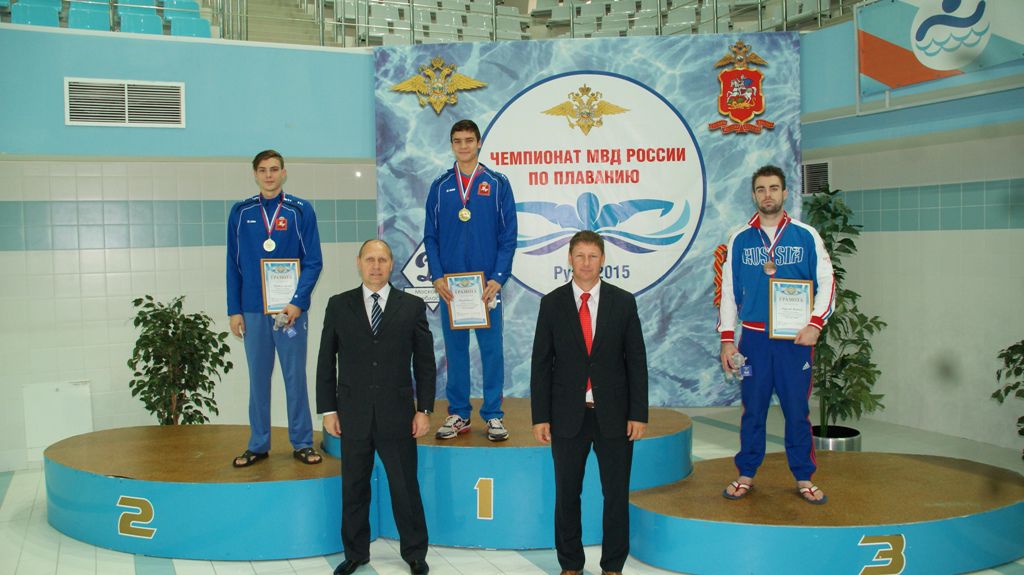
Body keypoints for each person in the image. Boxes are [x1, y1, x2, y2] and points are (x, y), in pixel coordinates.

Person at [530, 231, 648, 575]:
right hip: (567, 416)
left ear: (603, 260)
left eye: (592, 256)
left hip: (614, 416)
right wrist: (540, 417)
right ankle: (570, 564)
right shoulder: (552, 304)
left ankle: (613, 566)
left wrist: (638, 413)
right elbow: (541, 364)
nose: (586, 263)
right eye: (579, 256)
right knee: (567, 495)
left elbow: (636, 362)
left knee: (616, 496)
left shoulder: (622, 302)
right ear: (569, 258)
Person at [316, 239, 435, 575]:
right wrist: (328, 410)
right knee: (354, 486)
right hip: (352, 414)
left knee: (405, 487)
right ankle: (356, 553)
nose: (376, 266)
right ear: (359, 262)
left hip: (398, 415)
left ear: (391, 263)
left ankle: (415, 553)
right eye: (370, 259)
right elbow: (326, 361)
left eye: (382, 260)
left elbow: (425, 363)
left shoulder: (411, 306)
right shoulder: (338, 305)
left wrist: (424, 409)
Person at [718, 164, 836, 505]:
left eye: (773, 188)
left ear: (785, 192)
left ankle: (804, 476)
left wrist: (815, 324)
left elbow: (827, 282)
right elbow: (729, 291)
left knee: (797, 410)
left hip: (793, 341)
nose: (767, 195)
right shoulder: (740, 239)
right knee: (752, 410)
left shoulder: (806, 235)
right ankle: (746, 473)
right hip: (753, 341)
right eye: (760, 189)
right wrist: (727, 339)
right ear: (754, 195)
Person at [227, 149, 323, 468]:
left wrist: (298, 302)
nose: (268, 175)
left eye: (274, 169)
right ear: (255, 174)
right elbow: (233, 265)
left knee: (295, 377)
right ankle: (258, 444)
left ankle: (302, 442)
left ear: (284, 172)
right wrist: (234, 309)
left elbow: (313, 262)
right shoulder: (240, 212)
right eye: (262, 170)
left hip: (289, 311)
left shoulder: (300, 210)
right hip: (253, 310)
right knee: (258, 379)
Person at [423, 119, 518, 442]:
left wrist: (498, 278)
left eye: (468, 140)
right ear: (451, 145)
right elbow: (430, 236)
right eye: (457, 141)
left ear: (479, 143)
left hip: (486, 287)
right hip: (452, 288)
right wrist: (437, 276)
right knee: (456, 352)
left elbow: (508, 236)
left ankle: (493, 414)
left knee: (492, 351)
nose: (463, 146)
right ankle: (459, 413)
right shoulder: (440, 186)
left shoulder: (497, 184)